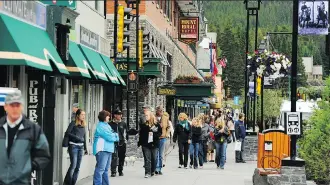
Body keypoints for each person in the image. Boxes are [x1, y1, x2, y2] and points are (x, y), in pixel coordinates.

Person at [0, 90, 51, 185]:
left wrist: (28, 166)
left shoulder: (33, 129)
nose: (15, 109)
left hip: (21, 182)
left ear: (22, 107)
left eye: (18, 105)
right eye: (12, 105)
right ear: (5, 107)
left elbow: (44, 155)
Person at [93, 110, 119, 185]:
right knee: (100, 169)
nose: (109, 117)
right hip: (102, 150)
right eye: (108, 116)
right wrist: (115, 136)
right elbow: (110, 137)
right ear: (104, 117)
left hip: (108, 150)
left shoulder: (107, 125)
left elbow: (114, 134)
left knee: (105, 170)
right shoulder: (100, 126)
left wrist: (114, 135)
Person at [63, 109, 88, 185]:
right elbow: (67, 133)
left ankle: (73, 183)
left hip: (81, 147)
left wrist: (85, 148)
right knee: (73, 165)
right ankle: (67, 183)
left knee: (77, 167)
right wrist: (77, 138)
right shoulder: (73, 123)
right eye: (82, 115)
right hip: (73, 146)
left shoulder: (83, 125)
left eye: (84, 115)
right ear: (77, 115)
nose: (83, 116)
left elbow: (84, 137)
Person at [138, 110, 161, 178]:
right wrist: (140, 142)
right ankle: (147, 172)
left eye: (147, 115)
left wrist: (154, 133)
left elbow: (160, 133)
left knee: (154, 158)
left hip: (154, 144)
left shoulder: (156, 124)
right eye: (145, 115)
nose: (145, 117)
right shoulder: (144, 124)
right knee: (147, 159)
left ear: (151, 116)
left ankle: (152, 171)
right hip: (146, 144)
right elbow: (141, 134)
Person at [110, 110, 128, 177]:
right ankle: (113, 171)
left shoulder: (123, 123)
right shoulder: (110, 124)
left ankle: (120, 170)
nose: (120, 116)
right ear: (115, 115)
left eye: (121, 114)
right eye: (118, 114)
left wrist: (126, 139)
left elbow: (126, 132)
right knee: (114, 156)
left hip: (122, 141)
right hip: (114, 142)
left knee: (121, 157)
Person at [155, 106, 169, 175]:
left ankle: (159, 168)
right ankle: (155, 168)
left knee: (160, 154)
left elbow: (168, 127)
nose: (161, 112)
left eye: (162, 111)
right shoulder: (153, 117)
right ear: (156, 111)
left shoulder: (165, 118)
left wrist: (166, 134)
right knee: (156, 154)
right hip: (155, 138)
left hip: (163, 138)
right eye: (159, 111)